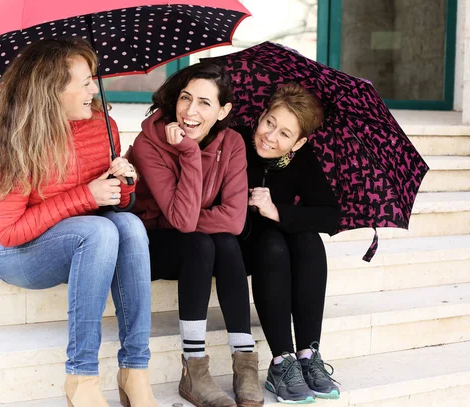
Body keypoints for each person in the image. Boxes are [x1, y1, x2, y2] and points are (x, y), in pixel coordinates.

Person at [0, 38, 158, 407]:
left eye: (93, 79)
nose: (93, 89)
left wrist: (124, 181)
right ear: (52, 90)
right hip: (17, 253)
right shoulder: (17, 141)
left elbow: (118, 203)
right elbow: (8, 232)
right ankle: (81, 377)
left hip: (87, 241)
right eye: (84, 82)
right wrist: (86, 196)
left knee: (129, 226)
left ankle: (135, 370)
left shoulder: (104, 126)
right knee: (99, 229)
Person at [129, 62, 264, 407]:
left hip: (191, 239)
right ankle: (194, 367)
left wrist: (188, 216)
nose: (190, 111)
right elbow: (181, 221)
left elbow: (234, 220)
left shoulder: (232, 142)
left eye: (205, 103)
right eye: (186, 98)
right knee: (203, 242)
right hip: (152, 243)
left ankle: (244, 362)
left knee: (226, 242)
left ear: (223, 110)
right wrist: (189, 152)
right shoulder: (149, 145)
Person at [234, 83, 340, 404]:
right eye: (269, 123)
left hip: (277, 250)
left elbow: (330, 217)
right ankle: (281, 361)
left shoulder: (303, 159)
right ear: (262, 115)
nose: (270, 137)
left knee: (308, 240)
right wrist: (246, 203)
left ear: (299, 142)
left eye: (284, 134)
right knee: (273, 244)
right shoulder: (235, 140)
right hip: (239, 246)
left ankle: (308, 355)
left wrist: (276, 211)